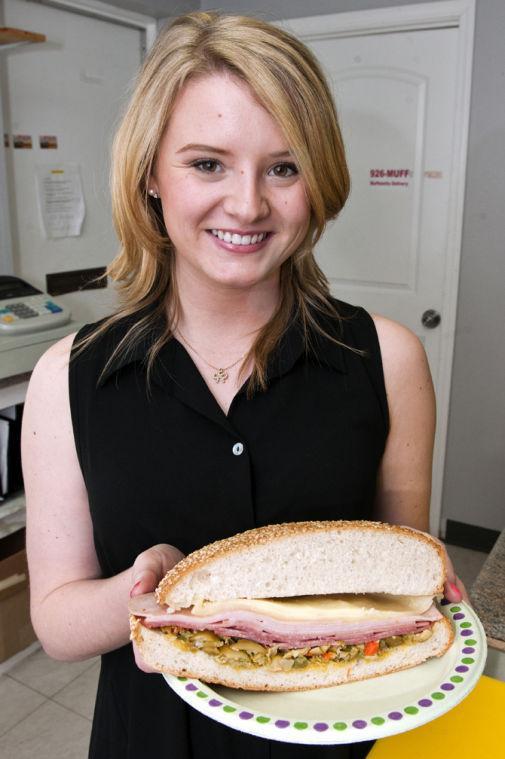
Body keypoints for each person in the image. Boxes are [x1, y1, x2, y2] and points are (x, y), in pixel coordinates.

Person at [21, 11, 467, 759]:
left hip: (337, 735)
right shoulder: (67, 376)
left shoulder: (387, 359)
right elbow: (57, 621)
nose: (248, 204)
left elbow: (398, 580)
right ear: (150, 177)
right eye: (206, 163)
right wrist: (142, 585)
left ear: (317, 183)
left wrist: (423, 584)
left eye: (283, 167)